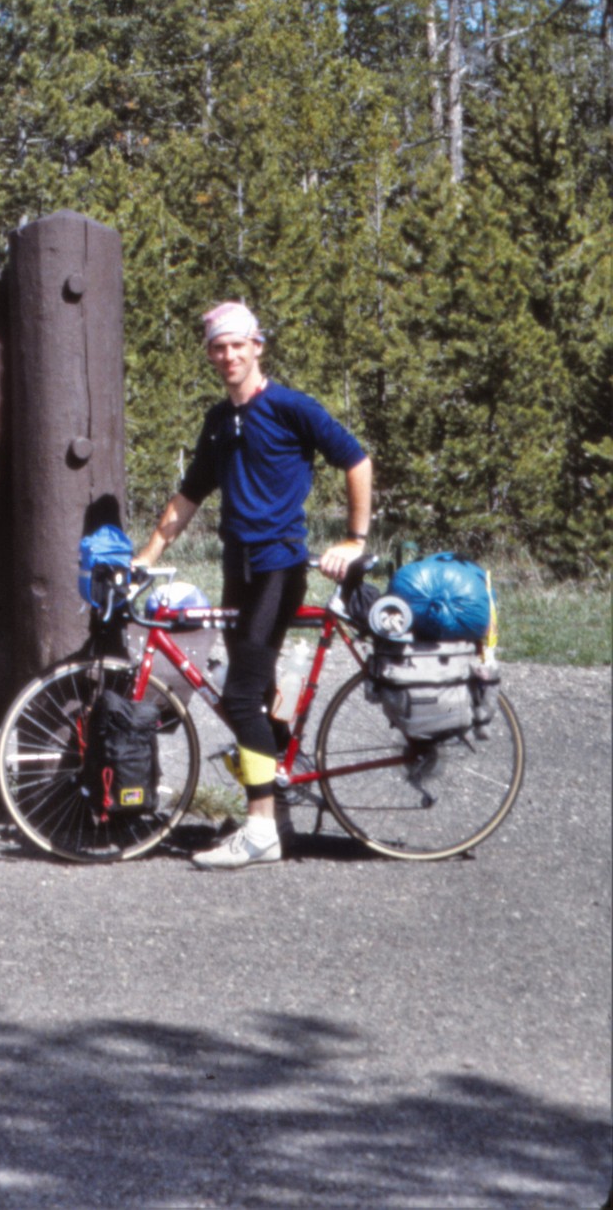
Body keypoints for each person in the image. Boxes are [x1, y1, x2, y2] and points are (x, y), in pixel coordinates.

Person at [133, 301, 373, 869]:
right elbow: (189, 495)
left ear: (257, 346)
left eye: (237, 345)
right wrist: (146, 557)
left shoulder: (290, 407)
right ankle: (276, 815)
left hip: (278, 567)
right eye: (218, 347)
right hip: (237, 567)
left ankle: (260, 830)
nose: (228, 356)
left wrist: (355, 539)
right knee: (255, 694)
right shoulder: (220, 420)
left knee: (240, 696)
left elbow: (356, 460)